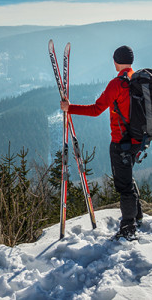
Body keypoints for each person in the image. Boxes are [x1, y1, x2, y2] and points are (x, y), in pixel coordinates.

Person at [60, 45, 143, 240]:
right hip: (138, 140)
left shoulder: (117, 84)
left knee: (123, 185)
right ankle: (137, 216)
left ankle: (129, 228)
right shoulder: (137, 80)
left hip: (120, 142)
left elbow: (96, 109)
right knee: (128, 178)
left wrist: (69, 108)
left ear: (115, 61)